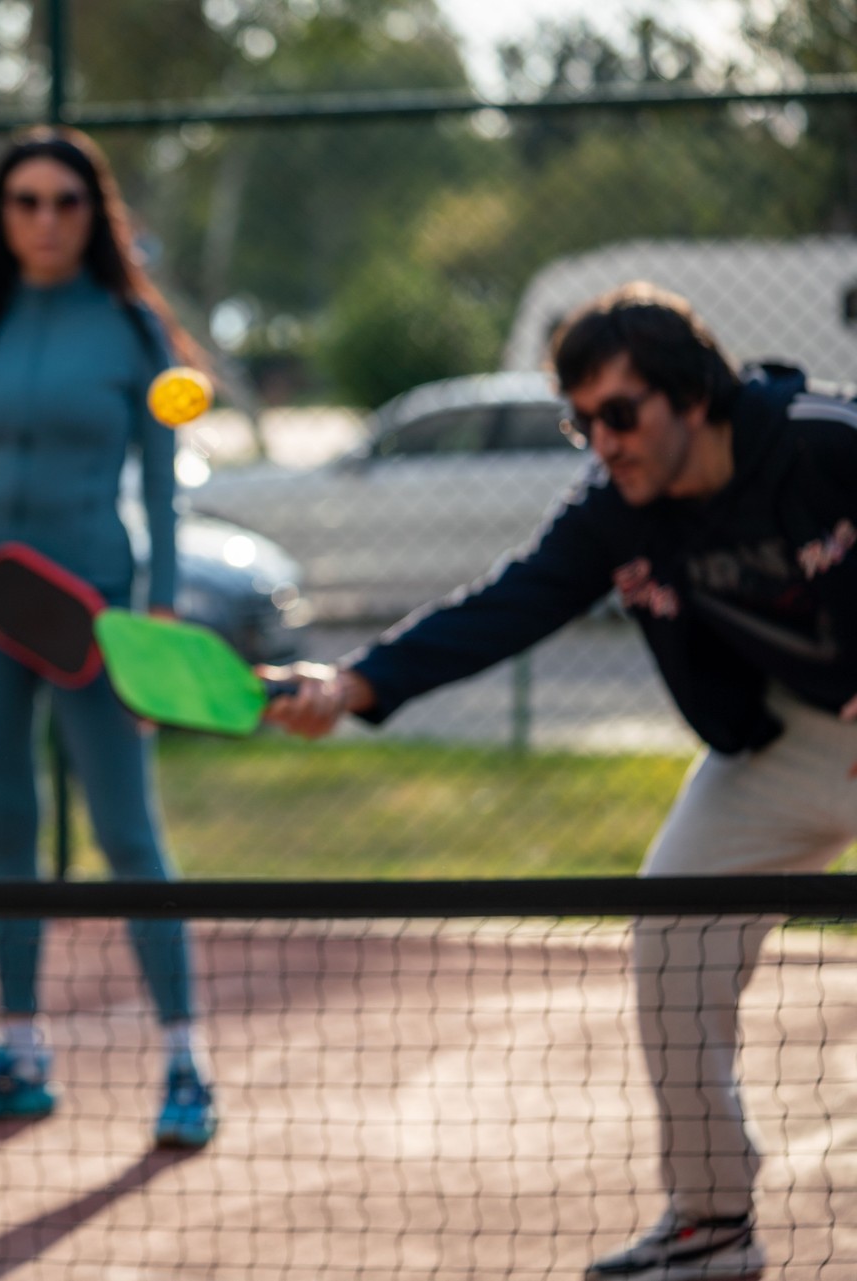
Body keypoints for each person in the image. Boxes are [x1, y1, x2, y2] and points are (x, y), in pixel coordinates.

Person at [265, 283, 857, 1281]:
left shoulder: (825, 442)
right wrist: (356, 682)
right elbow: (506, 605)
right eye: (581, 421)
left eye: (620, 415)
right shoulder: (610, 519)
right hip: (783, 745)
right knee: (672, 933)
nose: (602, 441)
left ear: (694, 397)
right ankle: (712, 1223)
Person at [0, 127, 216, 1149]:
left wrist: (160, 616)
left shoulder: (133, 332)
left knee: (130, 834)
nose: (45, 220)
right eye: (26, 203)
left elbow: (165, 499)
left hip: (100, 614)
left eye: (66, 202)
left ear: (97, 214)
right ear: (3, 219)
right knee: (9, 824)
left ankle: (184, 1062)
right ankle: (20, 1056)